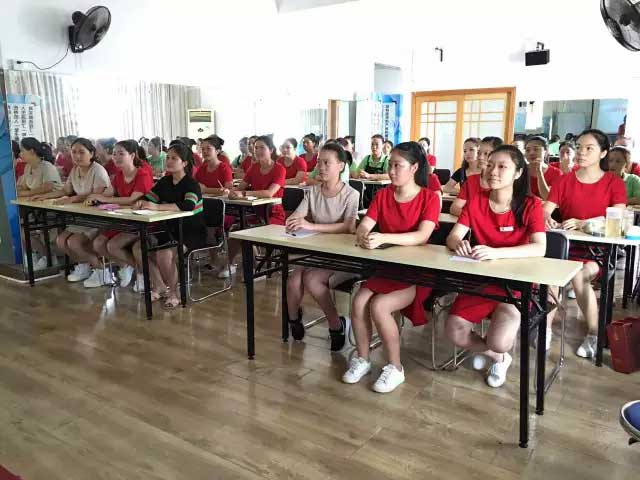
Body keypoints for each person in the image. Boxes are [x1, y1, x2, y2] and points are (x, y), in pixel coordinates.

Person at [342, 141, 439, 393]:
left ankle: (395, 367)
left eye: (398, 165)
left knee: (380, 306)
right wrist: (364, 234)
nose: (392, 171)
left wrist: (384, 237)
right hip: (387, 267)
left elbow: (422, 235)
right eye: (391, 165)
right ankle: (362, 359)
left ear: (414, 168)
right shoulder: (384, 195)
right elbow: (366, 223)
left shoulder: (429, 197)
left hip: (415, 272)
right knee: (359, 301)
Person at [445, 145, 546, 387]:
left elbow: (539, 248)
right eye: (490, 165)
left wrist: (496, 253)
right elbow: (453, 237)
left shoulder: (531, 204)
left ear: (518, 173)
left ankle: (496, 350)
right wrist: (459, 243)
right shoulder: (476, 201)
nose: (493, 171)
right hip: (482, 280)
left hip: (516, 283)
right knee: (454, 330)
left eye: (502, 167)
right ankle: (498, 357)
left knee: (499, 340)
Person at [544, 129, 627, 357]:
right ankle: (545, 330)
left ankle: (594, 334)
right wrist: (548, 218)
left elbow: (617, 218)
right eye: (579, 147)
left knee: (579, 275)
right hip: (566, 247)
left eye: (589, 148)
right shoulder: (564, 180)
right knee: (550, 275)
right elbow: (545, 210)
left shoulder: (614, 182)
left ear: (603, 153)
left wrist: (583, 224)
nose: (582, 152)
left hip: (598, 250)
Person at [285, 143, 359, 350]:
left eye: (327, 163)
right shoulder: (313, 192)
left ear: (341, 166)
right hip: (317, 251)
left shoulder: (351, 194)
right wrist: (293, 220)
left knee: (311, 279)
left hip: (341, 254)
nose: (321, 167)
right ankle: (293, 319)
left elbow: (348, 226)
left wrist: (311, 225)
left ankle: (336, 324)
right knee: (294, 279)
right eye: (319, 162)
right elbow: (297, 215)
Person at [132, 142, 207, 308]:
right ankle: (159, 285)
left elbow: (188, 205)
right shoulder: (165, 181)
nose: (169, 161)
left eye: (174, 158)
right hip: (168, 229)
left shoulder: (191, 183)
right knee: (138, 248)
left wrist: (157, 207)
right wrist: (140, 203)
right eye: (168, 158)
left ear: (184, 163)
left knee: (164, 254)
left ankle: (174, 293)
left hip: (190, 232)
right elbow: (149, 198)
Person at [32, 138, 112, 284]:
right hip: (81, 216)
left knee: (74, 242)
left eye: (81, 152)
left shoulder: (98, 170)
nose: (77, 156)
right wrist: (44, 196)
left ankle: (102, 271)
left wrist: (73, 199)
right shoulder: (75, 170)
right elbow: (65, 190)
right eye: (74, 152)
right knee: (61, 241)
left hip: (98, 217)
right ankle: (83, 266)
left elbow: (97, 194)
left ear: (91, 153)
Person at [86, 140, 154, 289]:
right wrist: (95, 198)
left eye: (121, 154)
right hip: (124, 220)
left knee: (112, 245)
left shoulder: (142, 174)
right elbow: (107, 194)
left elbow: (132, 199)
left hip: (142, 221)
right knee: (98, 244)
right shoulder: (118, 176)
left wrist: (105, 199)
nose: (116, 157)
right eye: (114, 154)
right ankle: (126, 266)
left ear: (132, 155)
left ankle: (143, 273)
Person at [223, 136, 286, 278]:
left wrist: (244, 193)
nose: (257, 150)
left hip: (273, 215)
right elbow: (240, 187)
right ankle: (230, 264)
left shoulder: (279, 169)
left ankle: (257, 269)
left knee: (247, 231)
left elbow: (269, 193)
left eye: (262, 147)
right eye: (256, 147)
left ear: (271, 150)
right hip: (256, 214)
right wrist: (232, 192)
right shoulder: (254, 167)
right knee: (236, 229)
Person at [450, 136, 503, 216]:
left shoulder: (506, 183)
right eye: (478, 153)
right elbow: (454, 208)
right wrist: (475, 218)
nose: (480, 157)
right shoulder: (471, 181)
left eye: (486, 154)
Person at [525, 136, 563, 200]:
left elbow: (549, 198)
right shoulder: (519, 170)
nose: (531, 153)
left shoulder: (556, 173)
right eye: (527, 150)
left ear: (545, 152)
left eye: (536, 149)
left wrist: (539, 172)